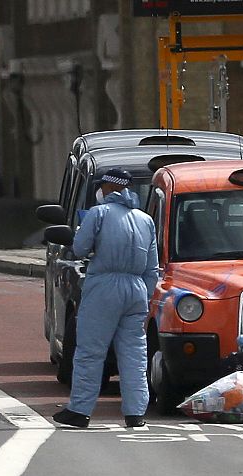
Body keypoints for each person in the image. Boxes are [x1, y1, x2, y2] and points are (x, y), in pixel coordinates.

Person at [53, 168, 159, 428]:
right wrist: (143, 296)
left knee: (90, 351)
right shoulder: (145, 220)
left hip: (104, 285)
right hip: (136, 288)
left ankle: (79, 410)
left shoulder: (98, 214)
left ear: (108, 187)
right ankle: (135, 413)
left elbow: (79, 248)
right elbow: (152, 268)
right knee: (134, 353)